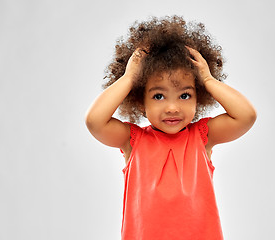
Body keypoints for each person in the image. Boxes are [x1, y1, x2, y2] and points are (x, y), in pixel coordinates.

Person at [85, 15, 257, 240]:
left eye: (185, 95)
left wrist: (207, 79)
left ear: (199, 97)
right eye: (158, 96)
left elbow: (247, 116)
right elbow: (94, 121)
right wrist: (129, 78)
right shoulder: (132, 140)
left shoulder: (202, 136)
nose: (173, 107)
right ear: (139, 100)